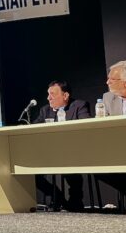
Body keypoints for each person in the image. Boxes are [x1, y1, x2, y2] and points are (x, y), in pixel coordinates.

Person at [33, 80, 90, 211]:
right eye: (48, 94)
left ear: (65, 95)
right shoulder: (45, 110)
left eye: (52, 94)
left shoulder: (79, 106)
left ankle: (75, 200)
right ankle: (56, 195)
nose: (48, 98)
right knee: (28, 171)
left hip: (75, 150)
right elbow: (34, 129)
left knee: (68, 160)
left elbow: (86, 126)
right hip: (50, 152)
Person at [97, 60, 126, 212]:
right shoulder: (107, 98)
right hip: (118, 146)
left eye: (112, 79)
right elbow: (102, 125)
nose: (107, 82)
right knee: (94, 164)